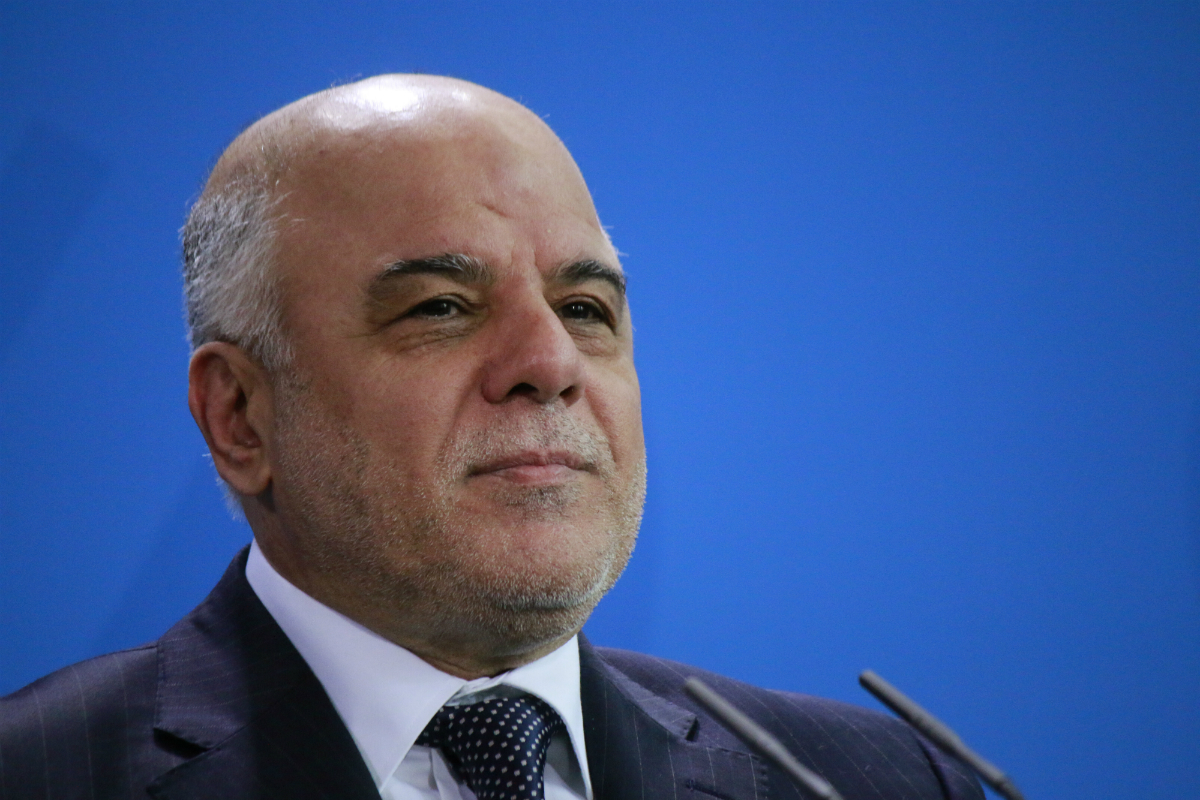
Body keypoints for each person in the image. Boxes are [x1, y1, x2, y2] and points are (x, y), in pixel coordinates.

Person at [0, 75, 982, 800]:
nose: (549, 362)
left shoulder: (878, 780)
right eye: (439, 306)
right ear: (240, 417)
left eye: (585, 308)